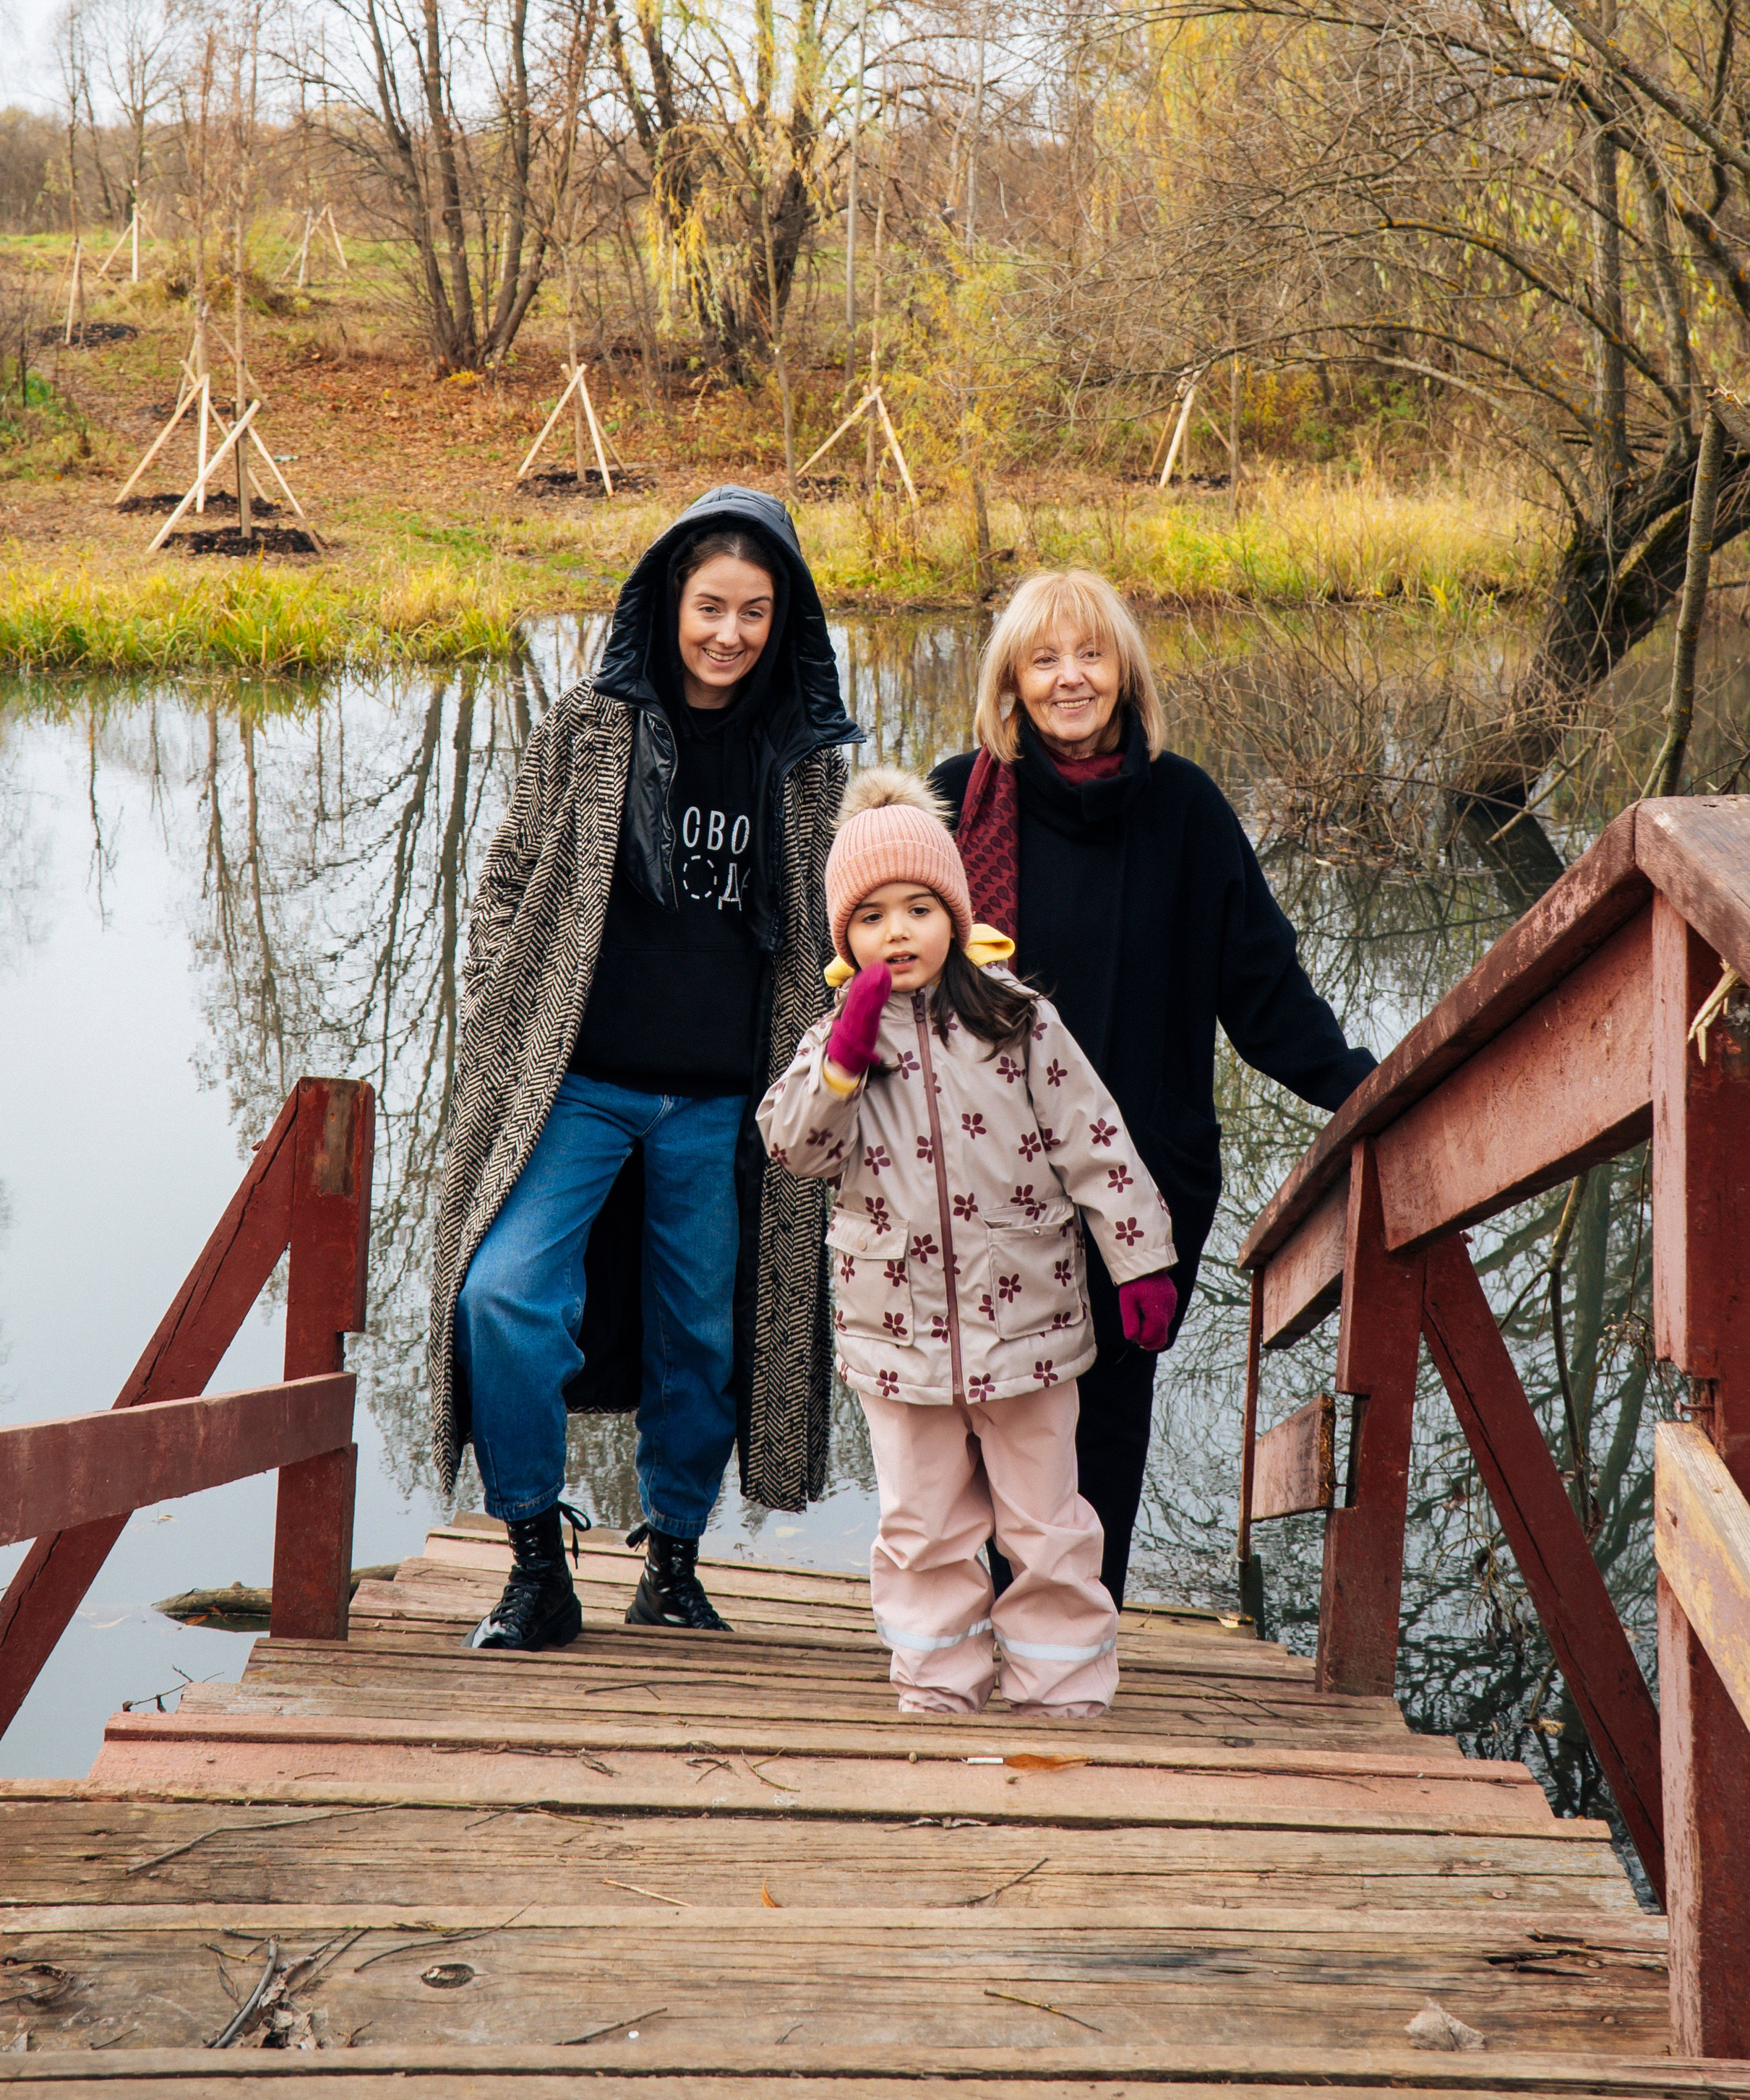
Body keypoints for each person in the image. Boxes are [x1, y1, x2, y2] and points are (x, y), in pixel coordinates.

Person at [427, 486, 860, 1651]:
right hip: (577, 1087)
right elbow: (509, 878)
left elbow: (850, 919)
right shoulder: (590, 724)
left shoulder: (808, 759)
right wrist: (495, 1017)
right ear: (669, 602)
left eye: (755, 612)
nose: (729, 633)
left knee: (708, 1334)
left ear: (785, 620)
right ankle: (533, 1560)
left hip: (724, 1104)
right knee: (503, 1295)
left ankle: (672, 1557)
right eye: (710, 606)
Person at [928, 568, 1376, 1604]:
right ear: (1013, 680)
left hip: (1143, 1180)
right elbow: (884, 968)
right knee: (984, 1415)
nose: (1070, 678)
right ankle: (973, 1632)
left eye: (1090, 654)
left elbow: (1263, 994)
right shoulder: (958, 805)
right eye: (1044, 659)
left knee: (1108, 1430)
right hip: (982, 1179)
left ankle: (1077, 1635)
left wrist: (1371, 1092)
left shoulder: (1187, 808)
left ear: (1124, 670)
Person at [758, 768, 1177, 1716]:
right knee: (924, 1526)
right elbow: (792, 1148)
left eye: (917, 908)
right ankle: (938, 1679)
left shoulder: (1018, 1020)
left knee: (1048, 1521)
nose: (896, 932)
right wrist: (841, 1067)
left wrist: (1140, 1260)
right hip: (897, 1342)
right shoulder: (836, 1045)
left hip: (1028, 1325)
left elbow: (1097, 1144)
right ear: (845, 938)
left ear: (955, 913)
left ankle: (1060, 1683)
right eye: (870, 917)